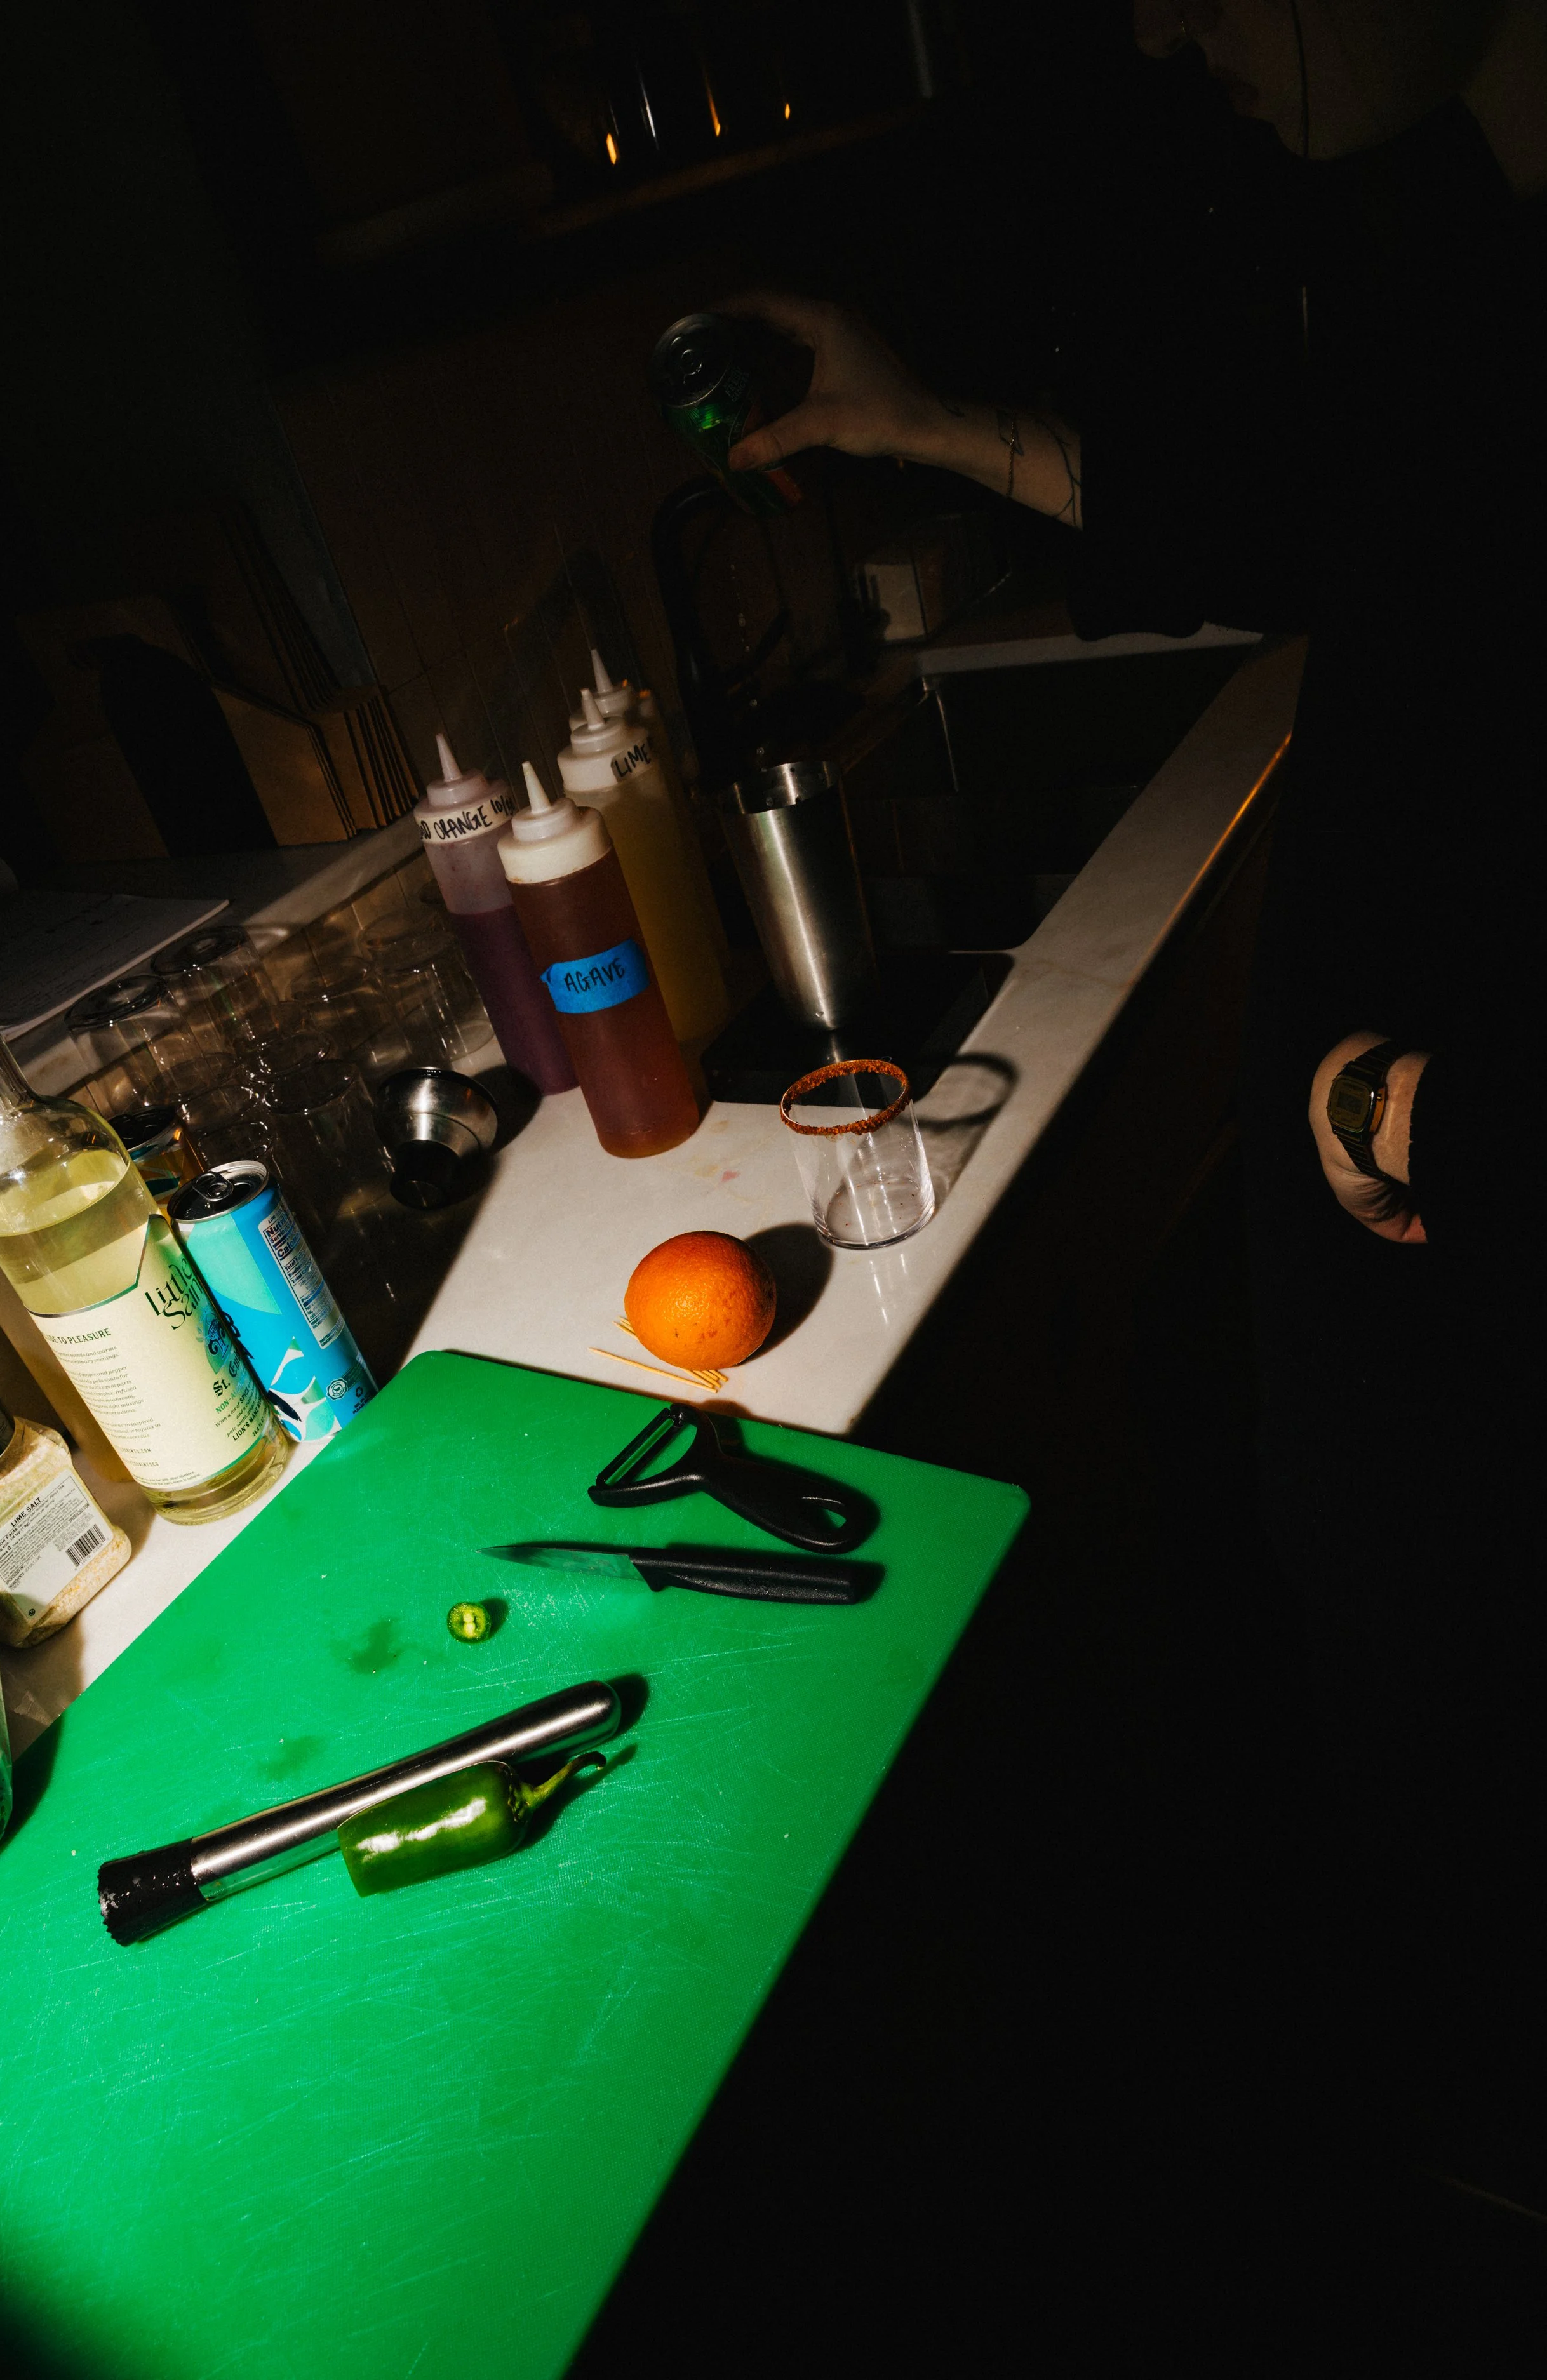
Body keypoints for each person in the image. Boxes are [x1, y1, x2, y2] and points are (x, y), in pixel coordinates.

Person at [727, 1, 1547, 2174]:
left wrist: (1433, 1124)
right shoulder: (1457, 211)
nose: (1163, 17)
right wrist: (937, 427)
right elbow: (1341, 514)